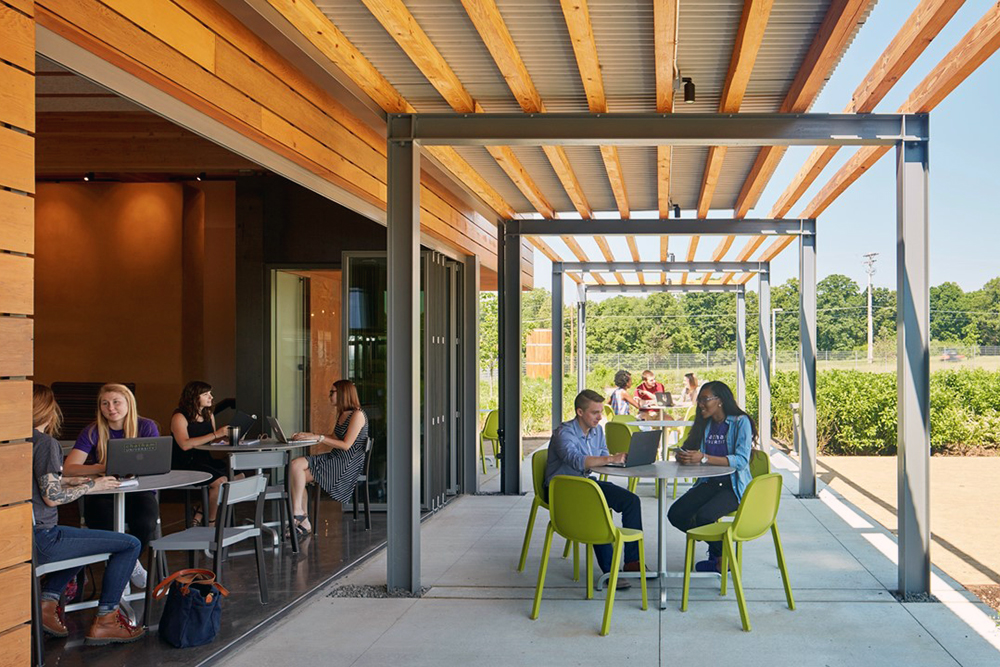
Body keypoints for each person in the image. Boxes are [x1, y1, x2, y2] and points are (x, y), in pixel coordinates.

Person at [31, 385, 146, 644]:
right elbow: (51, 499)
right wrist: (92, 485)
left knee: (84, 541)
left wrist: (68, 483)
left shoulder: (16, 442)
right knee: (130, 544)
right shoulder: (46, 443)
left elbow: (39, 486)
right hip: (43, 538)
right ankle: (107, 619)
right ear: (49, 411)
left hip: (25, 534)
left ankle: (47, 604)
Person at [64, 383, 159, 589]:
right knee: (101, 523)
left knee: (146, 523)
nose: (110, 408)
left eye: (116, 402)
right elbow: (69, 468)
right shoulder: (92, 431)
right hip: (103, 489)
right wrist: (103, 467)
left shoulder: (146, 426)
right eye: (104, 403)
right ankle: (130, 565)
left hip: (138, 489)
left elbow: (154, 465)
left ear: (129, 404)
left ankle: (123, 565)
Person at [545, 389, 643, 589]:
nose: (600, 417)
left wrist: (620, 461)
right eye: (595, 412)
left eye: (601, 412)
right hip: (561, 490)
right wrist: (609, 459)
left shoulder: (597, 430)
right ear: (580, 412)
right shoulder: (564, 433)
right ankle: (609, 572)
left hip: (585, 485)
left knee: (631, 501)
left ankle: (633, 562)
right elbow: (577, 461)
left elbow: (603, 455)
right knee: (596, 508)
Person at [667, 381, 755, 572]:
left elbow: (741, 461)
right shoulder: (704, 423)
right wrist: (683, 455)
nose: (700, 404)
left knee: (705, 516)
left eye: (705, 399)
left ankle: (721, 559)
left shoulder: (741, 422)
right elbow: (688, 447)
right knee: (676, 514)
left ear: (720, 401)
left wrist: (704, 458)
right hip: (709, 483)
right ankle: (715, 546)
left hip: (733, 485)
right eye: (699, 400)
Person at [287, 379, 369, 536]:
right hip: (335, 457)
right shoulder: (343, 414)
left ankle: (301, 519)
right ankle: (300, 514)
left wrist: (318, 437)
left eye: (332, 392)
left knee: (297, 473)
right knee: (295, 466)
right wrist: (310, 436)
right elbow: (334, 436)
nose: (329, 396)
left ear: (343, 394)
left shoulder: (357, 415)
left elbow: (346, 445)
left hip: (345, 464)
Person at [170, 381, 234, 526]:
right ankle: (211, 522)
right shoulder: (179, 417)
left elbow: (211, 440)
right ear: (194, 397)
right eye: (206, 394)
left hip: (205, 459)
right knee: (220, 482)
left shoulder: (208, 414)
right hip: (186, 462)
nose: (211, 397)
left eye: (210, 393)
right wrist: (216, 434)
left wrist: (227, 438)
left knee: (238, 475)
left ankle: (200, 510)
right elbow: (184, 445)